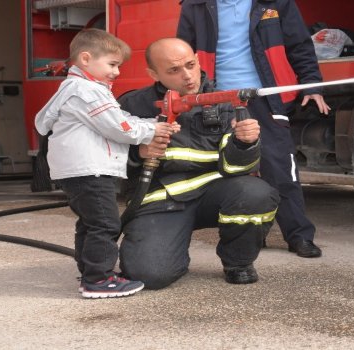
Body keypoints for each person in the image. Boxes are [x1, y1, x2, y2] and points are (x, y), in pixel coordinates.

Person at [117, 37, 280, 289]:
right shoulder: (132, 105)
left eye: (190, 65)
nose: (188, 76)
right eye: (173, 70)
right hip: (161, 201)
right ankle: (169, 254)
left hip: (213, 195)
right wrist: (139, 154)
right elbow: (108, 166)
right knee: (149, 275)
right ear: (153, 73)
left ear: (198, 59)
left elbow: (238, 171)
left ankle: (238, 262)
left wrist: (245, 144)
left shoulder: (225, 101)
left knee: (255, 193)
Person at [178, 0, 330, 258]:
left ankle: (299, 236)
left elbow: (299, 45)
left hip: (266, 98)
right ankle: (250, 235)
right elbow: (182, 53)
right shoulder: (195, 5)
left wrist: (312, 85)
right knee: (228, 172)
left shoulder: (276, 2)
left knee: (280, 168)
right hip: (215, 98)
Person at [34, 28, 172, 298]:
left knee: (89, 223)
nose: (117, 72)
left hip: (81, 170)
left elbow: (119, 118)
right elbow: (119, 127)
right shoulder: (87, 91)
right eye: (112, 64)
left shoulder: (81, 89)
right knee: (106, 224)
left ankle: (91, 272)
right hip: (90, 170)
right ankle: (99, 280)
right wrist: (153, 131)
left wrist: (155, 124)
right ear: (86, 59)